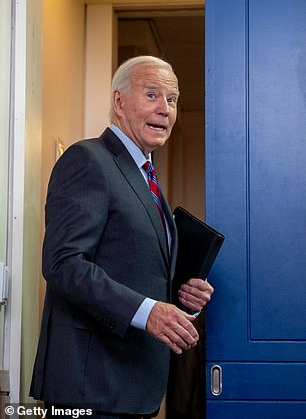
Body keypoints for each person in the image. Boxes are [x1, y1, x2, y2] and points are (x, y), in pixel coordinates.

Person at [30, 56, 214, 419]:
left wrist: (181, 294)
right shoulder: (87, 160)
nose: (165, 109)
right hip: (90, 391)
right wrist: (148, 312)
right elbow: (63, 263)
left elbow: (134, 269)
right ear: (119, 102)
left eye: (173, 100)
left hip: (134, 388)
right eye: (152, 95)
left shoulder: (146, 177)